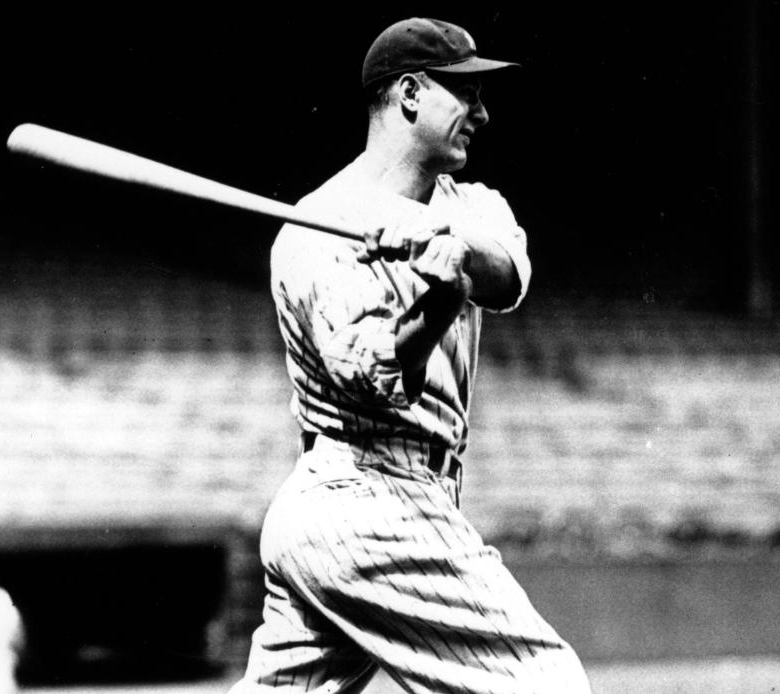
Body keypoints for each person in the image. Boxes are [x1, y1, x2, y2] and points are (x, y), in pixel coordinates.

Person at [231, 17, 591, 694]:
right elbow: (372, 380)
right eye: (465, 93)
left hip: (386, 502)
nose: (481, 113)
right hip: (362, 492)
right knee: (544, 684)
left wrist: (440, 244)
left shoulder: (471, 204)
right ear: (408, 94)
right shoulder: (315, 232)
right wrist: (432, 303)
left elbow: (506, 274)